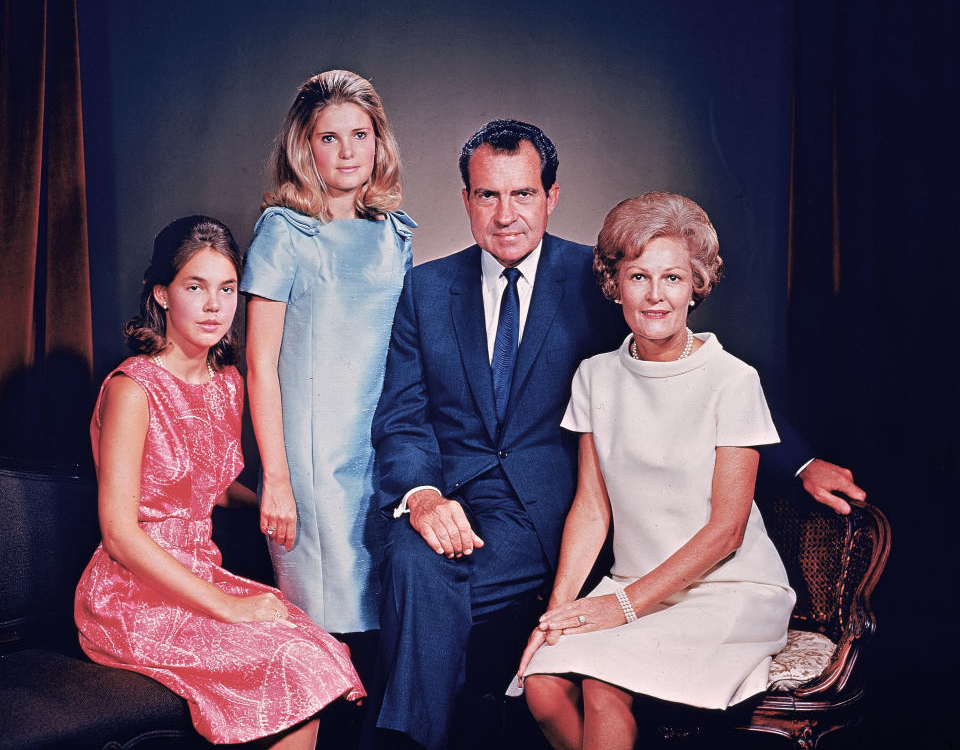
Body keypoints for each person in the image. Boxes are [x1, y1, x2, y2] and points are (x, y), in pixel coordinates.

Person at [368, 119, 863, 750]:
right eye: (487, 196)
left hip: (553, 509)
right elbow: (403, 416)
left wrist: (798, 462)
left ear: (551, 196)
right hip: (464, 504)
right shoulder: (426, 288)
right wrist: (424, 497)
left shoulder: (600, 272)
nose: (505, 215)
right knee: (412, 561)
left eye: (522, 194)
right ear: (465, 199)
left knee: (423, 600)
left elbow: (690, 371)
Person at [516, 193, 796, 750]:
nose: (655, 295)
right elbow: (592, 509)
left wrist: (621, 607)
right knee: (542, 688)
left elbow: (727, 531)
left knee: (601, 685)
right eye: (638, 276)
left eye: (672, 278)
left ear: (697, 285)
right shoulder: (595, 376)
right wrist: (556, 613)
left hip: (727, 590)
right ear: (614, 284)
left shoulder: (732, 380)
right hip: (631, 584)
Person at [74, 216, 364, 748]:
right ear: (161, 294)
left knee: (312, 648)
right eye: (195, 286)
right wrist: (226, 606)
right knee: (291, 661)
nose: (214, 306)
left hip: (200, 570)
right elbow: (118, 533)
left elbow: (209, 484)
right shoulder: (132, 390)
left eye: (227, 288)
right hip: (131, 595)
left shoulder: (226, 382)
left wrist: (277, 503)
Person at [241, 70, 416, 644]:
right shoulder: (285, 231)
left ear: (378, 141)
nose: (347, 152)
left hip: (384, 451)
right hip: (311, 462)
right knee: (324, 629)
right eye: (329, 137)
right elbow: (259, 364)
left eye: (359, 135)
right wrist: (277, 478)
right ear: (304, 146)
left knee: (386, 626)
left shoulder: (395, 233)